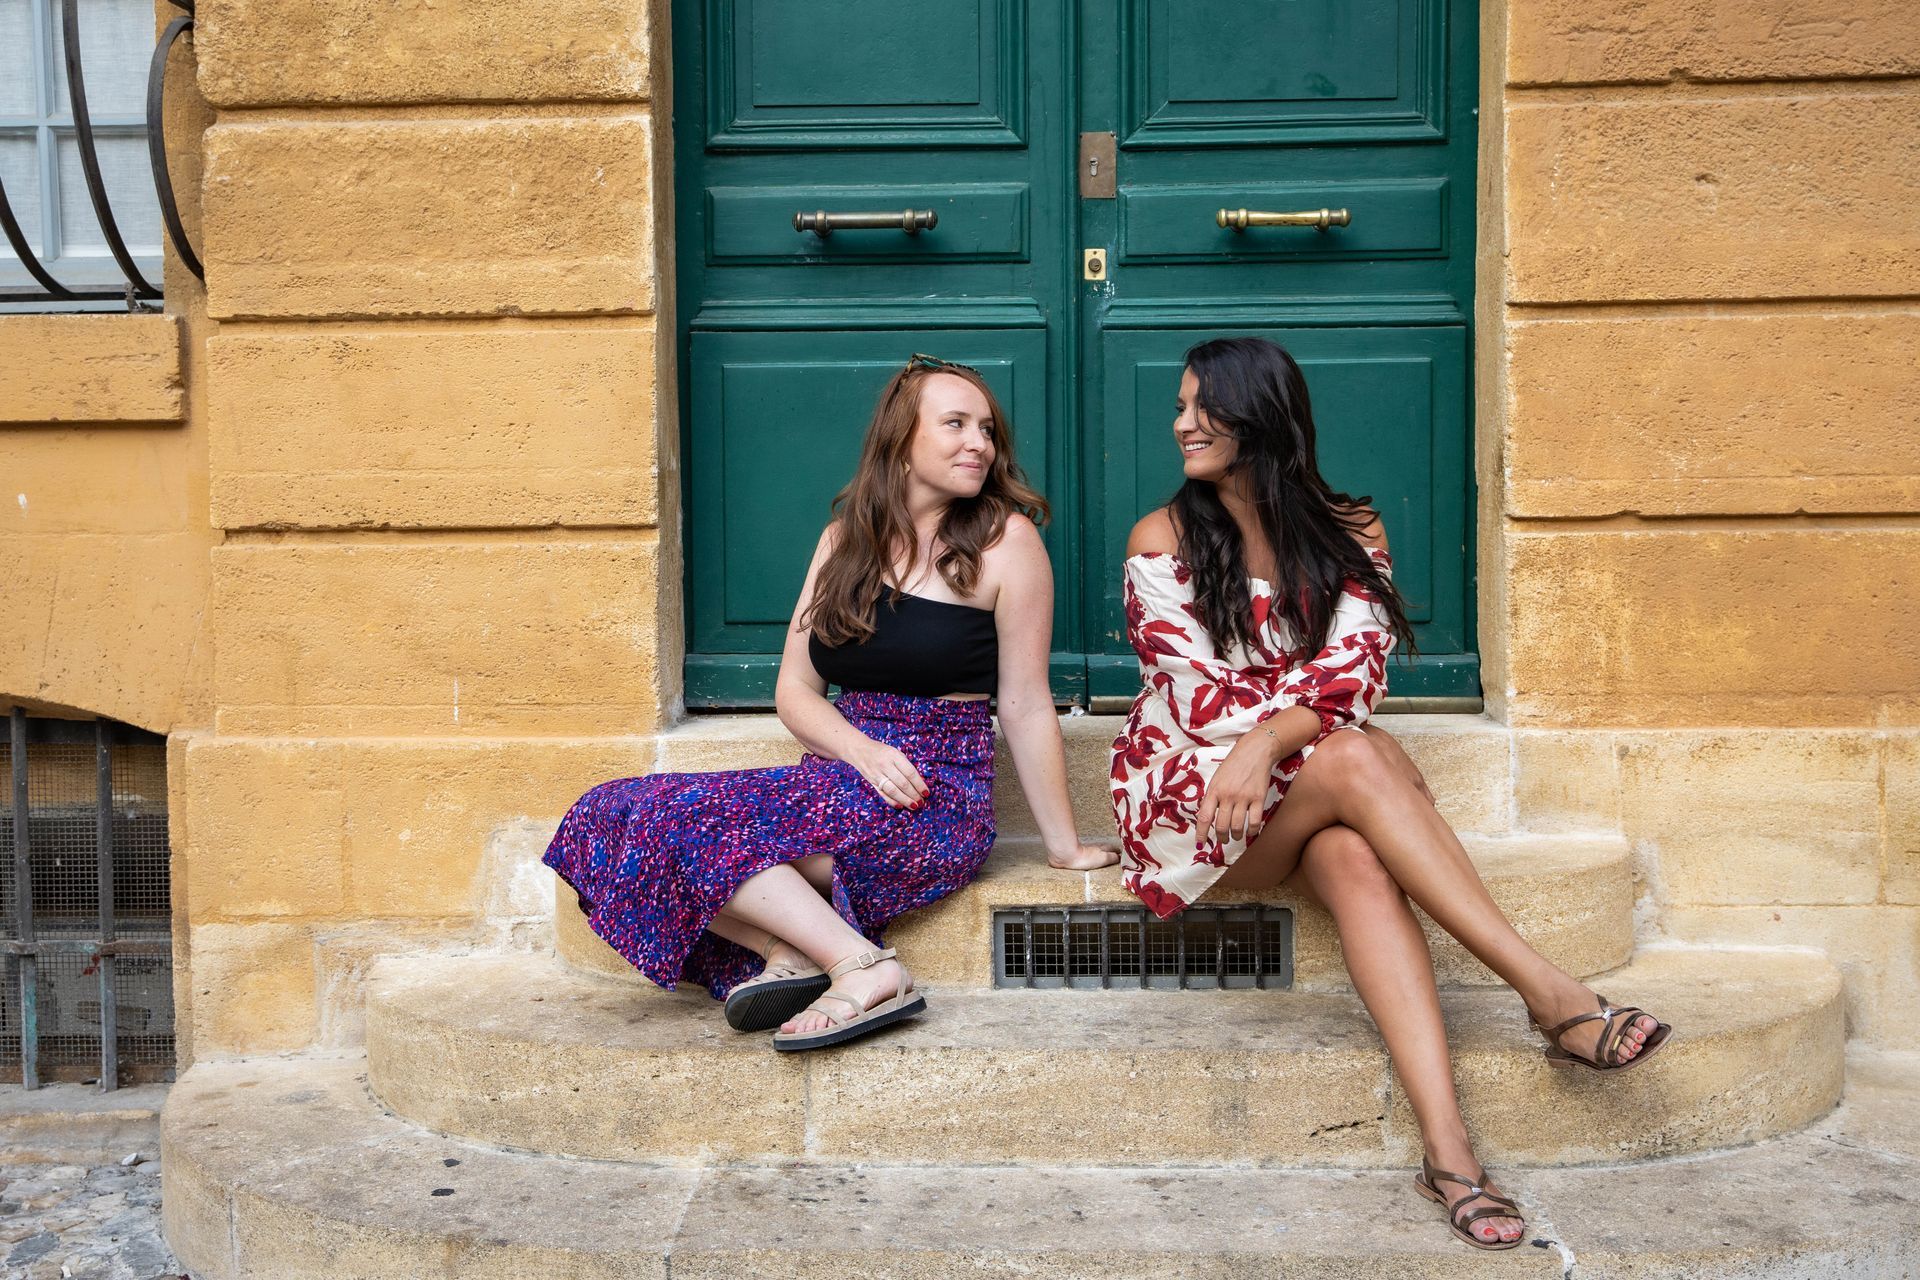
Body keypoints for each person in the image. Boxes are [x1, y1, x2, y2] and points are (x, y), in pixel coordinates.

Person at [1109, 336, 1672, 1250]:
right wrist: (1294, 736)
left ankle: (1450, 1156)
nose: (1179, 424)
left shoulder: (1350, 529)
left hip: (1292, 790)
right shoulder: (1162, 539)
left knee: (1354, 849)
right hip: (1197, 808)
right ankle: (1549, 993)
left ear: (1259, 413)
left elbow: (1357, 672)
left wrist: (1280, 734)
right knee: (1361, 757)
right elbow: (1198, 699)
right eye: (1178, 407)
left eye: (1197, 407)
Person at [545, 353, 1114, 1053]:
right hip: (840, 776)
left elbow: (1025, 703)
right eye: (956, 424)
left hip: (931, 799)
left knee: (693, 832)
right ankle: (796, 951)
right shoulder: (843, 541)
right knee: (606, 813)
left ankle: (862, 968)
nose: (980, 444)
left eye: (988, 430)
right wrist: (860, 748)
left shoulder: (1006, 543)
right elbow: (795, 690)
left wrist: (1063, 845)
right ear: (901, 441)